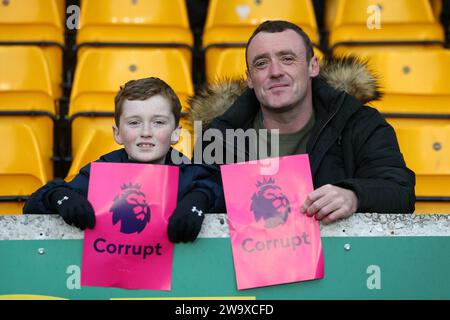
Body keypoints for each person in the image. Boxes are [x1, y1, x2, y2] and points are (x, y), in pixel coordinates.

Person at [189, 20, 415, 224]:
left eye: (287, 59)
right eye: (261, 64)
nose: (275, 72)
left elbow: (400, 192)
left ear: (312, 66)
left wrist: (354, 195)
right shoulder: (219, 138)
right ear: (249, 78)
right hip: (246, 267)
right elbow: (198, 201)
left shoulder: (358, 122)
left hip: (342, 264)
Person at [23, 77, 221, 242]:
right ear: (117, 134)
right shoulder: (102, 172)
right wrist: (59, 196)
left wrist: (200, 199)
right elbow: (31, 207)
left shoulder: (191, 173)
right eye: (134, 123)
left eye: (158, 123)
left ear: (176, 133)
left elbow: (222, 195)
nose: (146, 132)